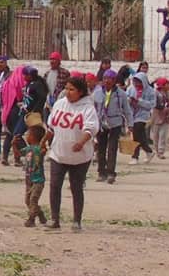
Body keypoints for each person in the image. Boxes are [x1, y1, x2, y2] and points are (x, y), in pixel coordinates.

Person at [45, 77, 99, 232]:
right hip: (59, 153)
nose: (67, 92)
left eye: (71, 89)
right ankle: (55, 219)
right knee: (55, 186)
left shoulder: (87, 108)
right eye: (66, 89)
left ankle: (77, 221)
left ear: (80, 92)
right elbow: (51, 127)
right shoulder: (60, 104)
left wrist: (81, 143)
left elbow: (91, 129)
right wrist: (42, 143)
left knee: (76, 187)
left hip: (80, 157)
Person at [92, 69, 132, 184]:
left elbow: (127, 110)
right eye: (104, 78)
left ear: (114, 81)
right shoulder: (98, 93)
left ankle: (111, 173)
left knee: (112, 148)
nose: (107, 81)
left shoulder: (121, 94)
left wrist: (130, 124)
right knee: (101, 148)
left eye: (110, 79)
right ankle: (101, 172)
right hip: (101, 123)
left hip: (115, 123)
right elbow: (93, 108)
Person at [17, 124, 48, 228]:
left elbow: (44, 150)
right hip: (29, 179)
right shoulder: (28, 149)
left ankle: (31, 219)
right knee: (27, 201)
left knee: (33, 200)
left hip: (38, 180)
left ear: (33, 137)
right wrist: (13, 144)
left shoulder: (39, 149)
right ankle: (40, 214)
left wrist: (44, 141)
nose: (26, 136)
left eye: (28, 134)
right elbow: (18, 154)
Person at [127, 72, 156, 164]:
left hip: (143, 115)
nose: (136, 84)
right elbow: (125, 98)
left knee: (136, 133)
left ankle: (135, 156)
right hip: (132, 114)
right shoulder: (131, 89)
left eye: (139, 81)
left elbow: (151, 104)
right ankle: (148, 151)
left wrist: (139, 101)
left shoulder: (150, 91)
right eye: (135, 81)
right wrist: (129, 100)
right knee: (140, 136)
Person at [150, 77, 169, 159]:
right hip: (157, 116)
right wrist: (162, 107)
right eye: (166, 84)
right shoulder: (156, 93)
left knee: (163, 135)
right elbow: (154, 104)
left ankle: (161, 151)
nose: (168, 85)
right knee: (155, 135)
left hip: (165, 117)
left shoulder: (167, 93)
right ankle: (156, 150)